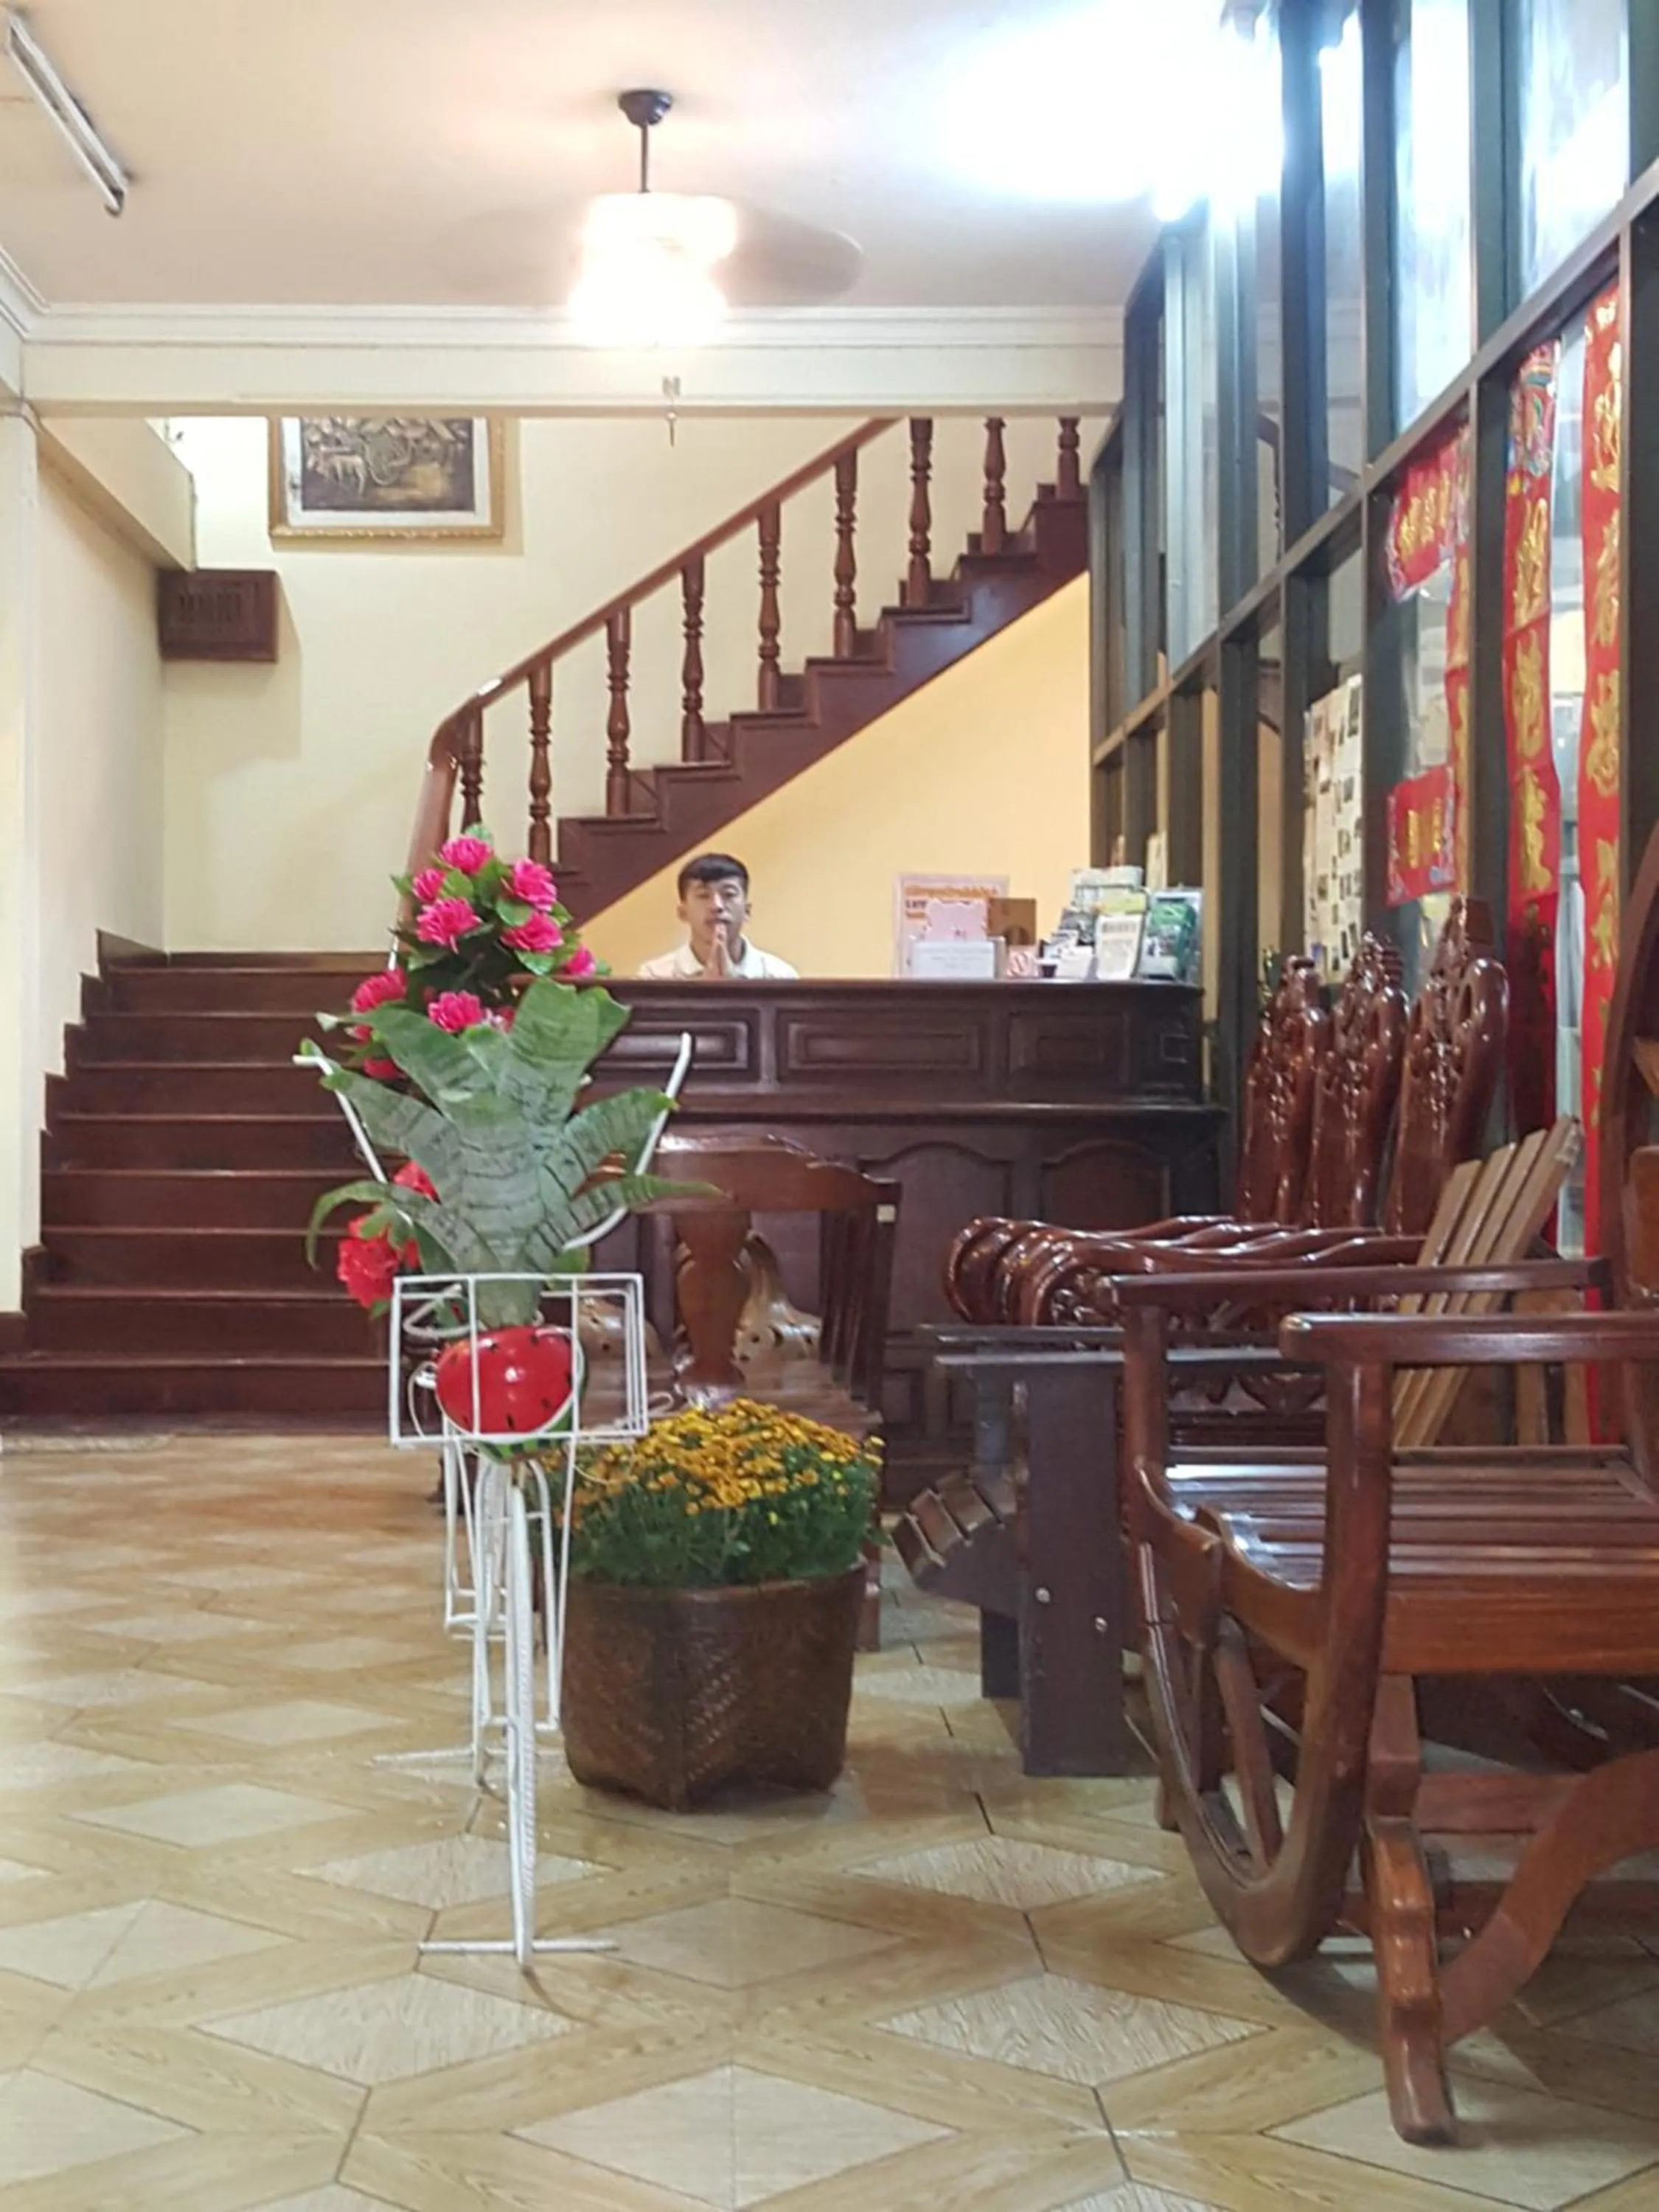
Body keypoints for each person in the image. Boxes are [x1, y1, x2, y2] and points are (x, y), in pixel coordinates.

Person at [638, 852, 799, 980]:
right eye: (703, 895)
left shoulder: (780, 976)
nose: (717, 906)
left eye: (728, 894)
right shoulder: (654, 976)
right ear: (683, 913)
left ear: (747, 911)